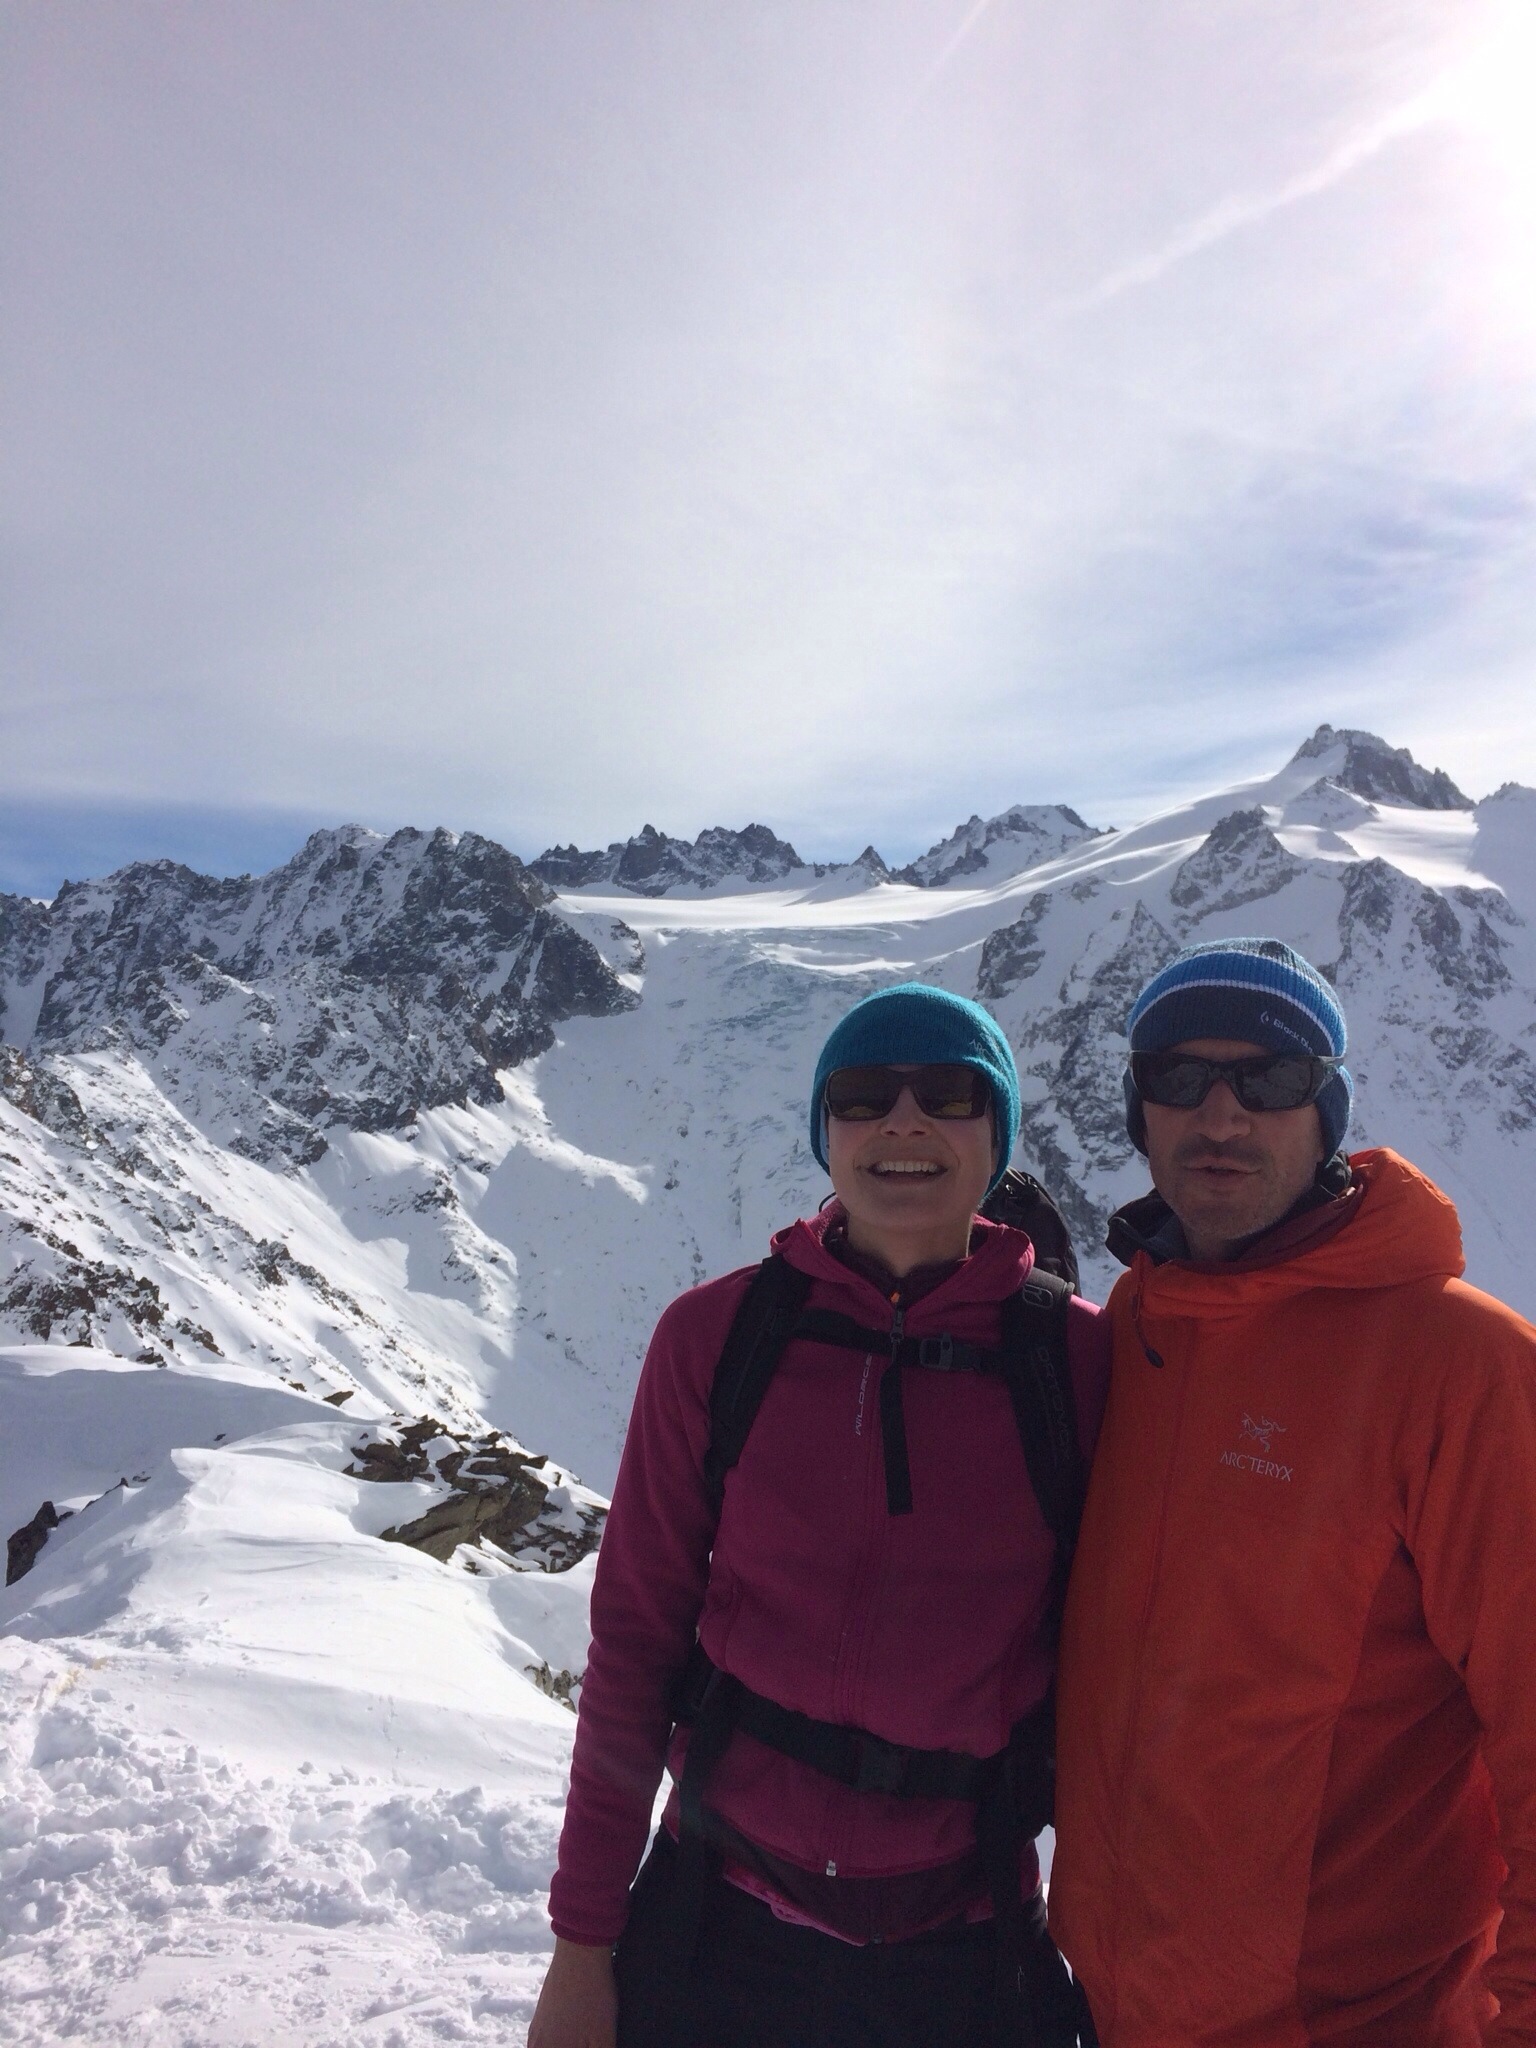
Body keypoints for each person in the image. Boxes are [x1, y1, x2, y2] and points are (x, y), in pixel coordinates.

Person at [529, 982, 1110, 2048]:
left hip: (968, 1944)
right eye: (863, 1095)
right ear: (824, 1131)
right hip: (715, 1920)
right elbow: (635, 1645)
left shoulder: (1076, 1361)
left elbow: (1132, 1675)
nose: (904, 1121)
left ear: (998, 1133)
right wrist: (581, 1947)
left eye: (949, 1094)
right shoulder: (717, 1337)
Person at [1049, 937, 1536, 2046]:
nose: (1220, 1116)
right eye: (1179, 1077)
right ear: (1136, 1109)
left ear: (1327, 1114)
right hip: (1109, 2008)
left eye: (1268, 1079)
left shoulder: (1461, 1364)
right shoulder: (1135, 1328)